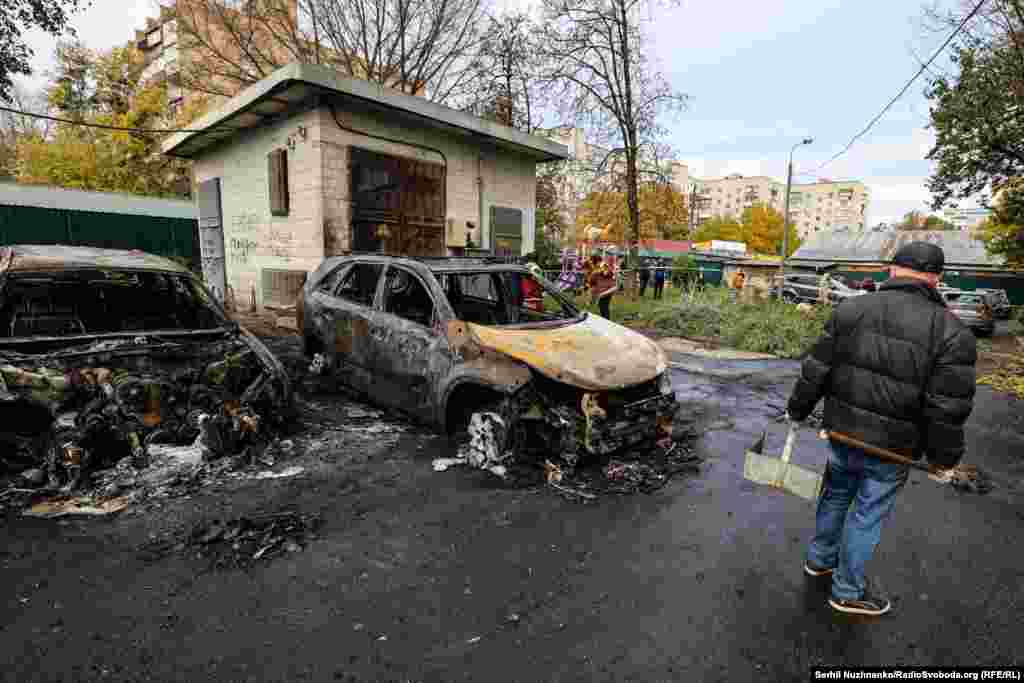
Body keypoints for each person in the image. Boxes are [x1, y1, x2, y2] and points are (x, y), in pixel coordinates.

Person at [787, 242, 976, 617]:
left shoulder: (851, 309)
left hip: (842, 433)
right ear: (936, 278)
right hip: (892, 449)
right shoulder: (953, 332)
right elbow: (946, 409)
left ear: (893, 270)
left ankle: (820, 560)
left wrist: (797, 410)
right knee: (867, 513)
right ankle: (846, 591)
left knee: (837, 495)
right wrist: (943, 461)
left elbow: (816, 369)